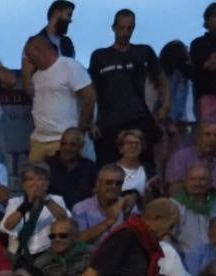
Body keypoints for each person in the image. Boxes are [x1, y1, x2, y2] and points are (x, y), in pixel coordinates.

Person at [90, 9, 169, 167]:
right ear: (113, 28)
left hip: (141, 119)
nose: (125, 32)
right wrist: (91, 122)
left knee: (145, 165)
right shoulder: (100, 56)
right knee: (108, 167)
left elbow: (162, 79)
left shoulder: (144, 51)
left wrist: (166, 105)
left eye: (129, 28)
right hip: (109, 122)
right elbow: (91, 90)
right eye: (122, 28)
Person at [24, 36, 95, 164]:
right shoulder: (37, 75)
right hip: (39, 140)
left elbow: (89, 98)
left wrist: (79, 132)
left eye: (29, 55)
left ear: (39, 50)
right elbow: (29, 94)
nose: (28, 59)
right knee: (33, 180)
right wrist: (26, 73)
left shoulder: (69, 66)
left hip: (63, 140)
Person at [0, 163, 70, 262]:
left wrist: (45, 199)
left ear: (46, 184)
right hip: (19, 255)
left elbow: (65, 221)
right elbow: (7, 226)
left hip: (47, 253)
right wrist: (26, 205)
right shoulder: (15, 202)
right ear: (24, 185)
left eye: (40, 179)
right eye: (30, 179)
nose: (36, 183)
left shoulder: (56, 200)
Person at [72, 164, 136, 247]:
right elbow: (78, 241)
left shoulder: (128, 206)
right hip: (90, 257)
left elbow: (133, 240)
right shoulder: (81, 208)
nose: (114, 186)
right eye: (109, 182)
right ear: (98, 183)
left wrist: (127, 215)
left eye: (118, 183)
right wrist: (109, 221)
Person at [22, 0, 78, 89]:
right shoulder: (34, 43)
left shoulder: (68, 43)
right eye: (68, 15)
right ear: (57, 13)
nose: (70, 20)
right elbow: (27, 79)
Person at [45, 128, 97, 210]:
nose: (67, 148)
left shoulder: (89, 167)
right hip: (52, 214)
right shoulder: (47, 165)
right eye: (64, 144)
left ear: (81, 146)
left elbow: (97, 194)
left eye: (73, 145)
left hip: (83, 215)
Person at [173, 163, 216, 259]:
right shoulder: (174, 205)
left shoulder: (215, 203)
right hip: (185, 259)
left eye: (202, 179)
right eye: (193, 179)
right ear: (185, 182)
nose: (197, 183)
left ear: (210, 182)